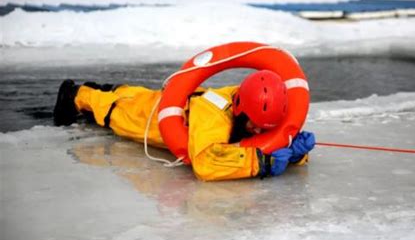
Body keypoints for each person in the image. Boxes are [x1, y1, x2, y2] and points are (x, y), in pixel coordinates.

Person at [53, 70, 315, 181]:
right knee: (113, 109)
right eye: (256, 127)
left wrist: (293, 152)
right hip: (149, 120)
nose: (260, 132)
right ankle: (76, 94)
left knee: (132, 93)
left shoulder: (255, 103)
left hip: (165, 102)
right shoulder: (212, 115)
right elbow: (205, 162)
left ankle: (113, 88)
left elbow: (265, 139)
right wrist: (260, 163)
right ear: (239, 108)